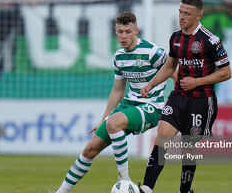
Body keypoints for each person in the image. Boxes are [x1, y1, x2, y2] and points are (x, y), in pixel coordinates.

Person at [54, 12, 170, 193]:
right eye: (120, 32)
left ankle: (124, 179)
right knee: (90, 149)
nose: (123, 36)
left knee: (114, 123)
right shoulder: (119, 57)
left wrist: (181, 99)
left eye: (128, 31)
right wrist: (104, 118)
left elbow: (173, 69)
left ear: (136, 31)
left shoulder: (152, 51)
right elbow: (117, 90)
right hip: (128, 104)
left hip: (151, 107)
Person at [138, 0, 231, 193]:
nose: (181, 17)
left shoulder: (211, 40)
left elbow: (226, 72)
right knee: (161, 139)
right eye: (180, 12)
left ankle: (185, 190)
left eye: (187, 13)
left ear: (199, 16)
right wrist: (151, 84)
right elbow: (170, 66)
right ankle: (146, 188)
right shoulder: (175, 38)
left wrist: (196, 82)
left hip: (201, 101)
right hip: (178, 96)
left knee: (187, 150)